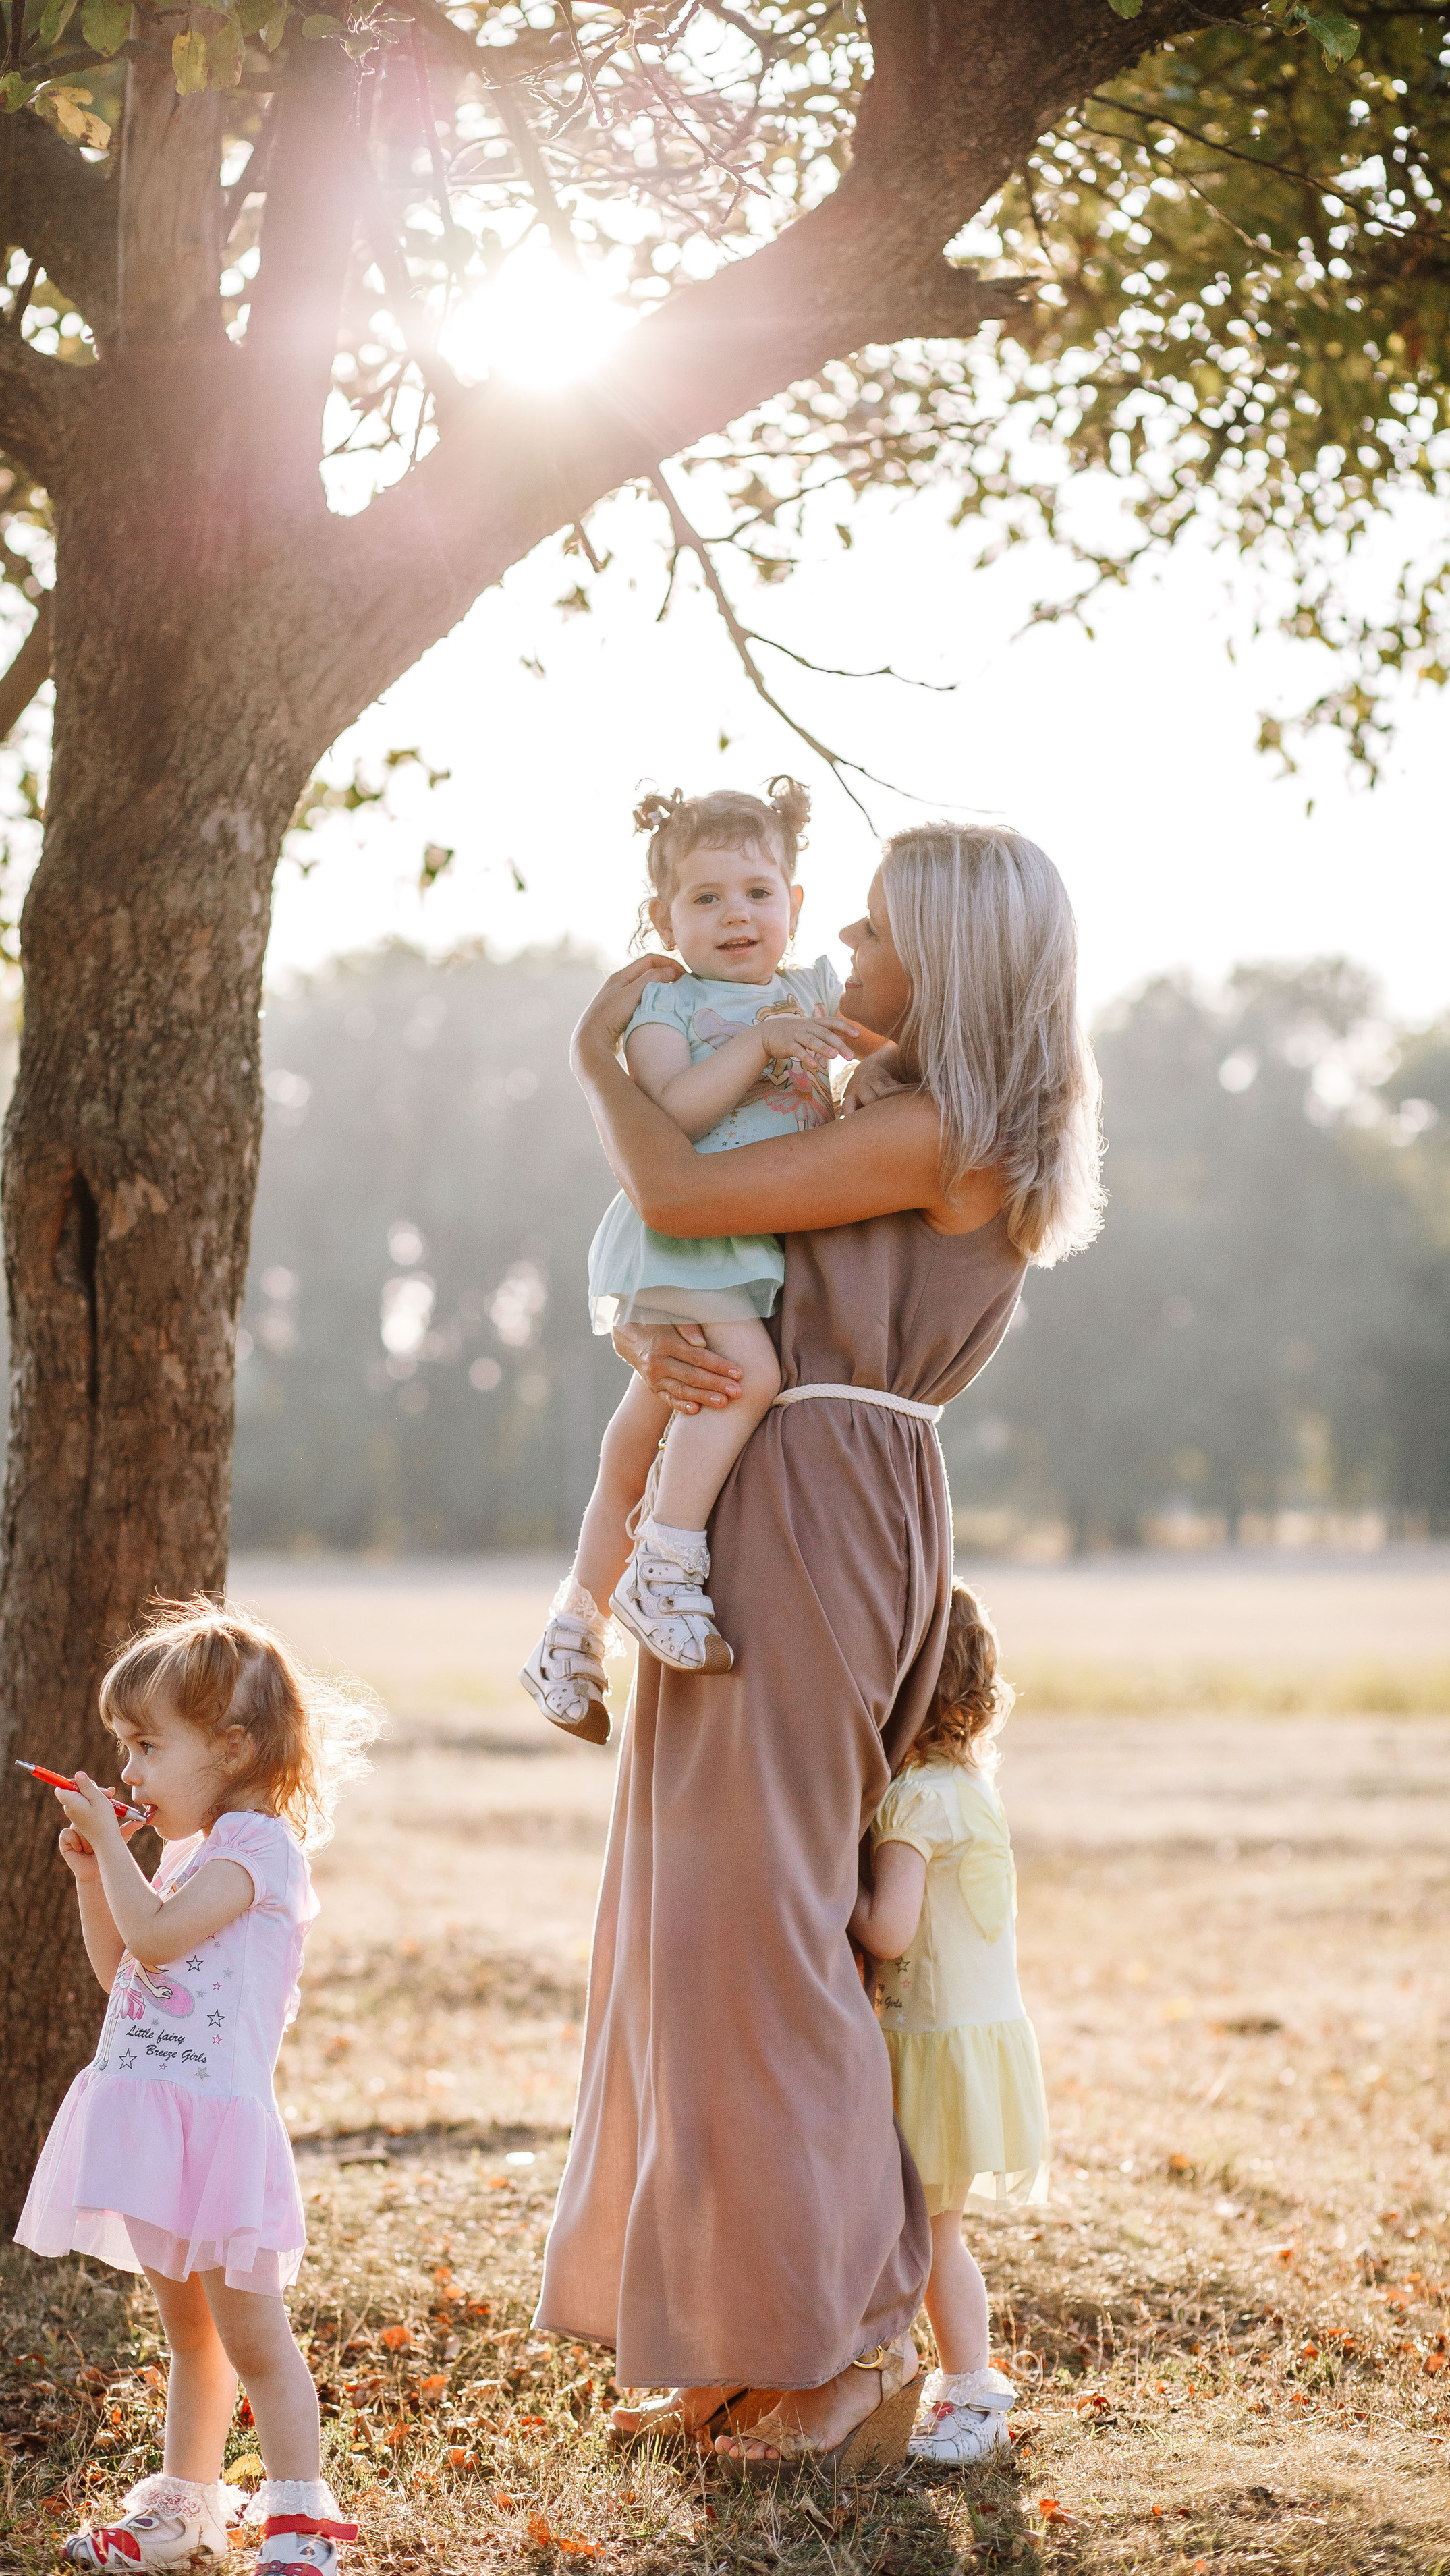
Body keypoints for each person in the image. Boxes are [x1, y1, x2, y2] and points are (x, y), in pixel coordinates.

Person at [534, 822, 1102, 2473]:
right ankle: (744, 2321)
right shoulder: (872, 1108)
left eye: (867, 929)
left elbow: (675, 1182)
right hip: (777, 1491)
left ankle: (838, 2350)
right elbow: (704, 1247)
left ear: (947, 958)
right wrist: (656, 1324)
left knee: (764, 1921)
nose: (835, 947)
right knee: (707, 1907)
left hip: (820, 1503)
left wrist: (597, 1058)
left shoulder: (948, 1132)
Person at [15, 1600, 374, 2573]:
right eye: (120, 1750)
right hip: (155, 2122)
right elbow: (128, 1972)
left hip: (216, 2133)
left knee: (254, 2337)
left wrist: (122, 1871)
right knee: (190, 2338)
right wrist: (100, 1875)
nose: (127, 1773)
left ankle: (302, 2516)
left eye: (143, 1748)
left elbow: (161, 1936)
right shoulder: (184, 1856)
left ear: (231, 1746)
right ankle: (188, 2505)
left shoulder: (259, 1855)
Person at [521, 779, 856, 1742]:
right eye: (705, 899)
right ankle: (664, 1564)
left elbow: (888, 1055)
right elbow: (673, 1114)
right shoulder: (669, 1002)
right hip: (688, 1231)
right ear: (662, 918)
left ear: (795, 902)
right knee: (746, 1376)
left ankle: (568, 1633)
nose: (736, 915)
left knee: (637, 1441)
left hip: (747, 1244)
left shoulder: (813, 991)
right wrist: (760, 1043)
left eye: (758, 891)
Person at [851, 1579, 1047, 2467]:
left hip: (930, 2052)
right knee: (934, 2233)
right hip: (974, 2045)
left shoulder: (916, 1800)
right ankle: (941, 2384)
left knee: (933, 2238)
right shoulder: (970, 1787)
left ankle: (973, 2394)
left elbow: (888, 1928)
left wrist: (824, 1886)